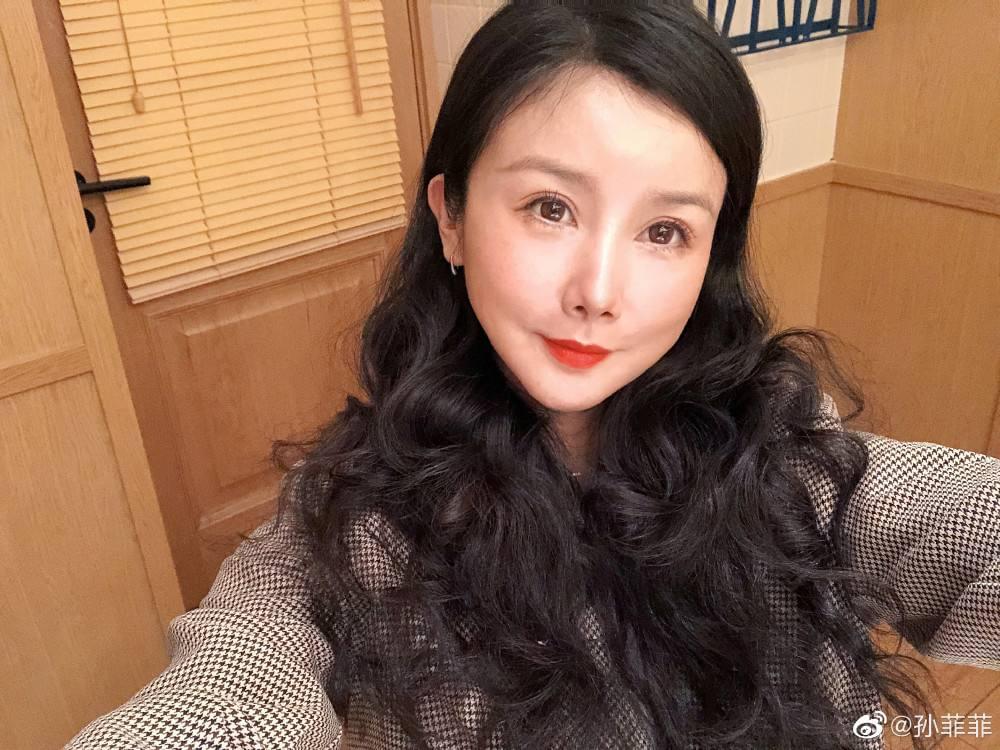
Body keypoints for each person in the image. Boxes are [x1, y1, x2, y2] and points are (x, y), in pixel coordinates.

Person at [64, 2, 999, 749]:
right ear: (452, 217)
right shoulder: (354, 525)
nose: (599, 293)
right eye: (550, 208)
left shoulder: (790, 462)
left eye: (665, 231)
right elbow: (229, 690)